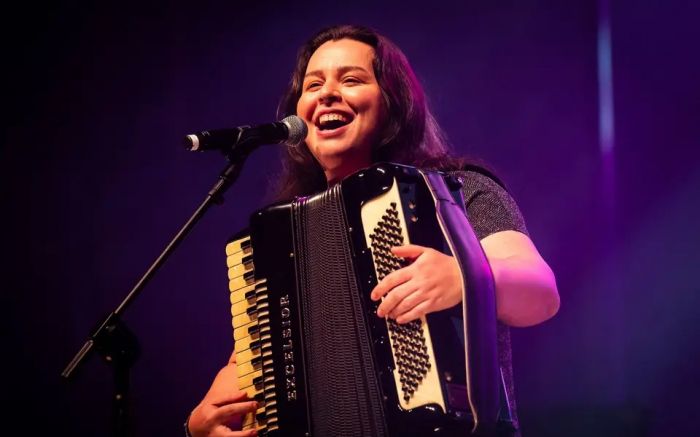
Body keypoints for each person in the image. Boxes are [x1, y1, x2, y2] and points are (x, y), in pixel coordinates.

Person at [186, 25, 560, 437]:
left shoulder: (456, 192)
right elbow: (243, 382)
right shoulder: (283, 241)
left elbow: (540, 294)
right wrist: (200, 427)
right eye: (313, 85)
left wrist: (462, 276)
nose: (327, 93)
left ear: (392, 105)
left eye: (351, 79)